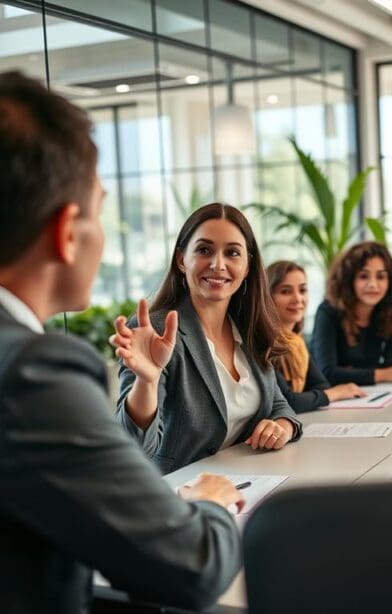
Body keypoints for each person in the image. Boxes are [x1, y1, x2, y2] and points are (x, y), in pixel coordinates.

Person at [0, 71, 240, 612]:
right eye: (100, 211)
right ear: (66, 232)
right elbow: (194, 564)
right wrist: (210, 503)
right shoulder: (30, 372)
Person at [114, 203, 302, 474]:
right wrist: (147, 381)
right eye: (204, 250)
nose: (218, 264)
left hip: (244, 482)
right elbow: (133, 447)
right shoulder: (156, 330)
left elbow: (278, 403)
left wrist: (282, 426)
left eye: (232, 253)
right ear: (181, 260)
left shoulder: (247, 325)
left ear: (247, 265)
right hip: (178, 492)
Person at [311, 241, 392, 385]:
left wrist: (351, 372)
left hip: (372, 397)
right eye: (363, 276)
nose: (373, 285)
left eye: (381, 277)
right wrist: (383, 373)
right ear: (349, 280)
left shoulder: (388, 311)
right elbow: (327, 372)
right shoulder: (328, 311)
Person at [267, 260, 365, 412]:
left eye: (302, 290)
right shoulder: (262, 343)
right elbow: (287, 401)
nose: (298, 299)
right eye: (285, 291)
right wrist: (334, 393)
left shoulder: (296, 342)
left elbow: (321, 385)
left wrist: (321, 395)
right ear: (266, 298)